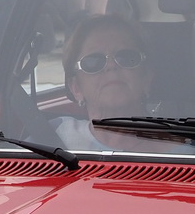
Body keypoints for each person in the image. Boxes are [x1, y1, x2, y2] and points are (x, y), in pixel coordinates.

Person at [49, 15, 159, 150]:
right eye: (94, 62)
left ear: (147, 77)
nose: (111, 66)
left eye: (126, 57)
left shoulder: (182, 149)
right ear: (76, 88)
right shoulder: (52, 135)